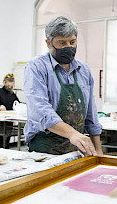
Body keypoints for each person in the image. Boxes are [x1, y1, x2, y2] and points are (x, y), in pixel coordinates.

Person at [23, 16, 103, 156]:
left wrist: (99, 151)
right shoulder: (37, 67)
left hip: (75, 148)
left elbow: (91, 113)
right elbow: (40, 111)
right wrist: (72, 134)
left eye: (72, 42)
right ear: (49, 43)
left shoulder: (83, 70)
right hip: (45, 148)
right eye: (62, 43)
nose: (68, 47)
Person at [0, 73, 20, 148]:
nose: (10, 87)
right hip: (1, 119)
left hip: (10, 119)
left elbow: (18, 104)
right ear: (4, 82)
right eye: (8, 85)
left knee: (7, 138)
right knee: (1, 138)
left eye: (12, 86)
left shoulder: (12, 94)